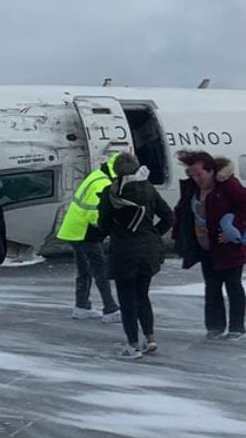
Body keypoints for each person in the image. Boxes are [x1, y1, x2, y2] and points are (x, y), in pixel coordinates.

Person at [173, 151, 246, 340]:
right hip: (205, 247)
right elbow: (182, 211)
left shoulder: (228, 186)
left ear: (210, 171)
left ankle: (237, 327)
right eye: (192, 174)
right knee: (212, 287)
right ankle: (215, 327)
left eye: (199, 174)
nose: (196, 178)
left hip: (229, 248)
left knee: (233, 285)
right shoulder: (192, 189)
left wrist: (234, 229)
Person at [97, 153, 174, 359]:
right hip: (148, 250)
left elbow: (103, 223)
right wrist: (154, 233)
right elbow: (168, 216)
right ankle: (150, 339)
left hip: (124, 251)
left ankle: (132, 344)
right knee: (142, 295)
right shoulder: (148, 189)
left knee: (127, 299)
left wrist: (108, 230)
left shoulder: (111, 192)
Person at [55, 153, 122, 323]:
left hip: (74, 229)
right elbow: (95, 213)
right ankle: (110, 308)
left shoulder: (97, 175)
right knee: (99, 268)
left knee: (84, 269)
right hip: (85, 232)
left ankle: (82, 306)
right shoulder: (103, 184)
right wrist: (108, 228)